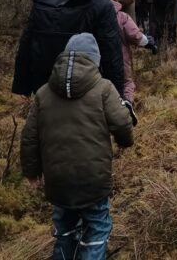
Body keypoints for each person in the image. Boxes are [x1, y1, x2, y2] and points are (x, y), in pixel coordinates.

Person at [21, 33, 134, 260]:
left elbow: (29, 136)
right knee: (98, 228)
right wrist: (125, 141)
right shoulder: (104, 88)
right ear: (95, 60)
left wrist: (32, 172)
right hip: (93, 179)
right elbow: (122, 122)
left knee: (64, 228)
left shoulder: (43, 93)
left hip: (58, 180)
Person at [12, 0, 125, 98]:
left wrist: (23, 86)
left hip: (45, 89)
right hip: (87, 91)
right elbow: (112, 55)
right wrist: (117, 98)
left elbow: (26, 44)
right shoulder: (102, 4)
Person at [99, 0, 157, 103]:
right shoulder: (122, 17)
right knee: (126, 84)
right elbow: (137, 37)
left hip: (98, 63)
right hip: (121, 60)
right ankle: (127, 109)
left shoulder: (92, 15)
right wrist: (149, 42)